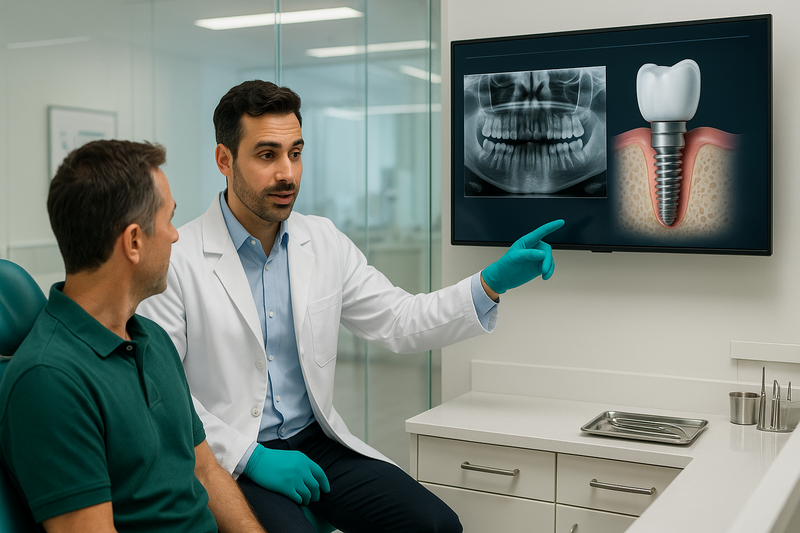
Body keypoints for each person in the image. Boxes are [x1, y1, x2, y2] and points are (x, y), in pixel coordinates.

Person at [137, 80, 564, 533]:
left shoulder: (321, 241)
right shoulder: (178, 260)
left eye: (295, 153)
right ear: (225, 160)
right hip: (232, 455)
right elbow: (167, 397)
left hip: (316, 442)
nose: (288, 173)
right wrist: (251, 456)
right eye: (267, 155)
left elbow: (399, 321)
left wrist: (490, 282)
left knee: (437, 525)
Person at [0, 140, 265, 533]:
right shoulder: (48, 380)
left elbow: (206, 471)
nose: (176, 236)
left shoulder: (153, 339)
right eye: (169, 220)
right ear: (134, 242)